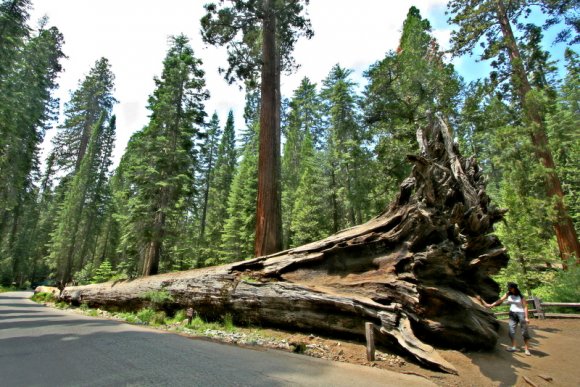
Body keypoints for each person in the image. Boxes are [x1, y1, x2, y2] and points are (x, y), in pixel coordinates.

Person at [485, 282, 531, 355]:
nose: (509, 289)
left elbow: (525, 306)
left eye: (510, 288)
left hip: (521, 314)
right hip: (512, 314)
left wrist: (526, 317)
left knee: (524, 331)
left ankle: (527, 349)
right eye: (508, 288)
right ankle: (514, 347)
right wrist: (492, 304)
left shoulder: (521, 296)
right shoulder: (508, 293)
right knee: (511, 331)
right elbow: (500, 300)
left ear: (514, 288)